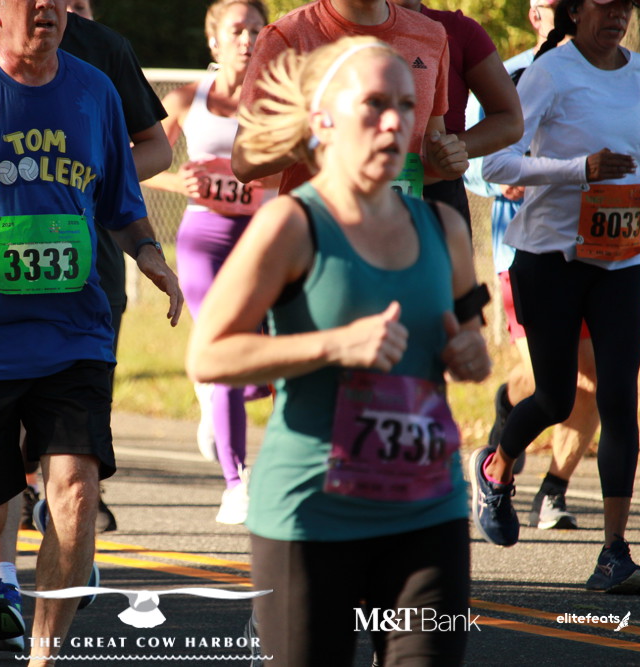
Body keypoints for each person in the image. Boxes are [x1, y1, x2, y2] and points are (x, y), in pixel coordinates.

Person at [0, 1, 183, 665]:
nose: (46, 6)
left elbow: (122, 203)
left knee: (75, 492)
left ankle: (43, 657)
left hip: (73, 333)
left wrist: (150, 253)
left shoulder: (94, 90)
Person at [188, 35, 490, 666]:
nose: (395, 122)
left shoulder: (445, 228)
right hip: (312, 513)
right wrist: (336, 345)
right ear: (322, 119)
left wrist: (469, 354)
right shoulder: (291, 224)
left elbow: (472, 342)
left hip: (427, 506)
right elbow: (208, 355)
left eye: (406, 106)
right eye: (374, 104)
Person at [480, 0, 640, 595]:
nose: (618, 15)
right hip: (550, 258)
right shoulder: (549, 73)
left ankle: (614, 553)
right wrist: (581, 170)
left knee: (618, 398)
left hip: (623, 259)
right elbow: (496, 164)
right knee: (555, 398)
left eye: (626, 6)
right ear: (577, 10)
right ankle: (497, 467)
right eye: (606, 4)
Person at [465, 0, 597, 531]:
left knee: (595, 381)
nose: (558, 15)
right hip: (522, 254)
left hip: (598, 252)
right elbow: (467, 159)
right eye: (547, 6)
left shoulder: (613, 75)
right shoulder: (508, 75)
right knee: (558, 382)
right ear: (533, 14)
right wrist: (499, 182)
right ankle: (509, 414)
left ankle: (553, 492)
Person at [143, 0, 271, 525]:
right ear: (214, 40)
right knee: (228, 350)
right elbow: (134, 160)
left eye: (257, 30)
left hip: (264, 236)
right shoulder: (186, 99)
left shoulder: (280, 101)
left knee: (264, 363)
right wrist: (181, 180)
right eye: (237, 29)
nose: (248, 39)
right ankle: (236, 484)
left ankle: (213, 389)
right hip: (206, 240)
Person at [232, 0, 469, 199]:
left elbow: (427, 148)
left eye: (406, 105)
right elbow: (244, 164)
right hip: (319, 230)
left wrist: (442, 163)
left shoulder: (431, 34)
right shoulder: (286, 35)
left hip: (400, 229)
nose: (393, 121)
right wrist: (319, 133)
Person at [389, 0, 522, 225]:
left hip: (438, 193)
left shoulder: (457, 31)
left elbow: (510, 120)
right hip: (349, 188)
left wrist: (449, 151)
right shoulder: (329, 24)